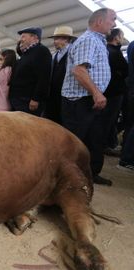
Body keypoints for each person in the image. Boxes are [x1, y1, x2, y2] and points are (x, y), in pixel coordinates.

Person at [61, 8, 117, 185]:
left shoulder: (97, 41)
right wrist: (96, 93)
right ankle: (64, 177)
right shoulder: (89, 40)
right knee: (75, 143)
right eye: (112, 19)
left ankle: (89, 174)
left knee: (94, 139)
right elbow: (79, 70)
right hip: (80, 100)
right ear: (99, 21)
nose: (114, 24)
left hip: (88, 99)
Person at [8, 27, 52, 116]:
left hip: (28, 101)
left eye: (24, 36)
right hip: (19, 100)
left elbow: (44, 77)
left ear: (34, 37)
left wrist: (36, 98)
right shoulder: (26, 53)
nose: (21, 39)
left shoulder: (42, 51)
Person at [102, 28, 128, 154]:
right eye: (121, 36)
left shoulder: (105, 50)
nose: (122, 38)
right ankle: (106, 145)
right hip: (114, 92)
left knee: (109, 119)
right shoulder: (114, 53)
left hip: (106, 91)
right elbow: (125, 71)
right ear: (116, 37)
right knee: (109, 119)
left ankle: (111, 143)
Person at [45, 26, 76, 124]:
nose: (55, 41)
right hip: (53, 94)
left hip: (66, 94)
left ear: (66, 39)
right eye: (55, 39)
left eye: (57, 39)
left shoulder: (73, 52)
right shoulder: (55, 55)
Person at [118, 40, 134, 172]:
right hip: (132, 88)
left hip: (130, 88)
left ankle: (126, 154)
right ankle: (127, 158)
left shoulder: (131, 45)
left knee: (129, 123)